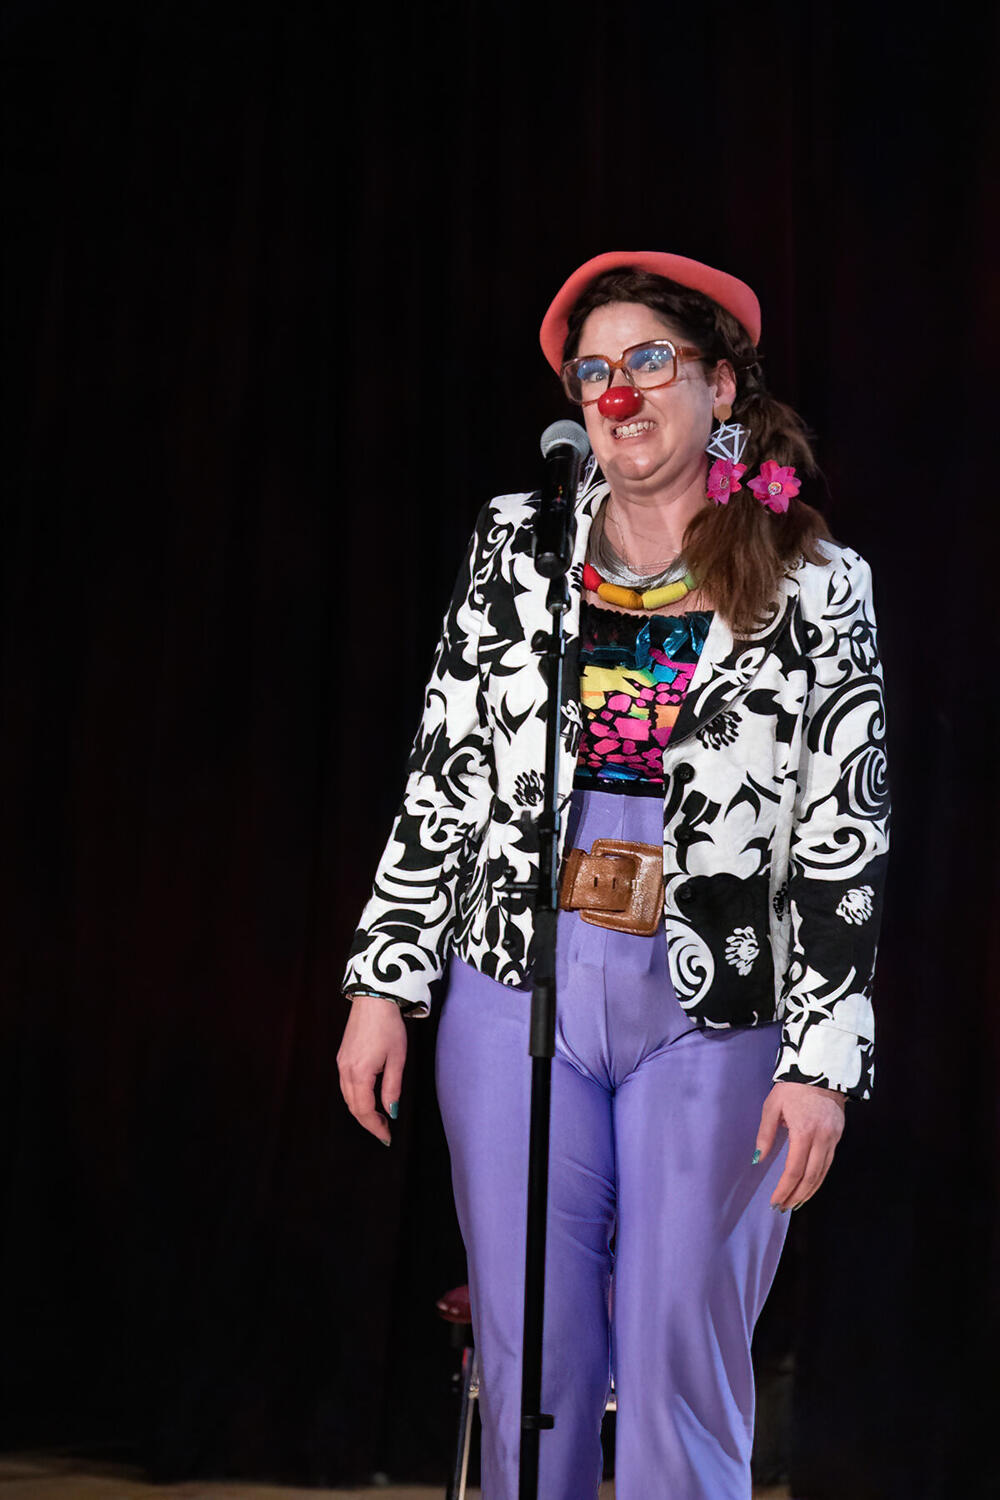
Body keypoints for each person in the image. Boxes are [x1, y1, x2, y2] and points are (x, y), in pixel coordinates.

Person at [337, 249, 890, 1500]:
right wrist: (383, 982)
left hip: (714, 998)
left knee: (675, 1345)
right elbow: (444, 765)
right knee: (531, 1350)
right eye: (593, 372)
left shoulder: (816, 581)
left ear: (720, 385)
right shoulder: (518, 541)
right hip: (515, 976)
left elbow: (843, 831)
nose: (618, 394)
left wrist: (822, 1061)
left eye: (648, 361)